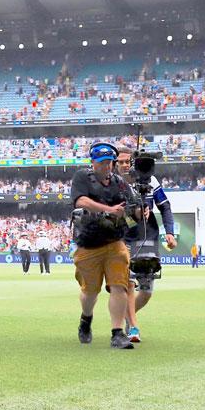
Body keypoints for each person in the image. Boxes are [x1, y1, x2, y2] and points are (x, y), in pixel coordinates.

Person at [70, 142, 141, 350]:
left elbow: (133, 210)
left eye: (109, 163)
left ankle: (117, 333)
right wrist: (108, 209)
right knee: (90, 292)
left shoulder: (120, 183)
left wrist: (139, 212)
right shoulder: (82, 177)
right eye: (102, 163)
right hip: (88, 243)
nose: (107, 167)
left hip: (114, 242)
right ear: (93, 163)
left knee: (119, 285)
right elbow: (81, 201)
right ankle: (86, 318)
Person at [116, 146, 177, 343]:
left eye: (128, 161)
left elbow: (165, 206)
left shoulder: (150, 180)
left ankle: (127, 316)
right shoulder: (113, 185)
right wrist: (133, 215)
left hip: (148, 237)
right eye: (121, 162)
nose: (125, 165)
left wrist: (170, 232)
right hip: (123, 239)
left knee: (147, 291)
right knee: (129, 283)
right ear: (115, 164)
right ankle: (133, 326)